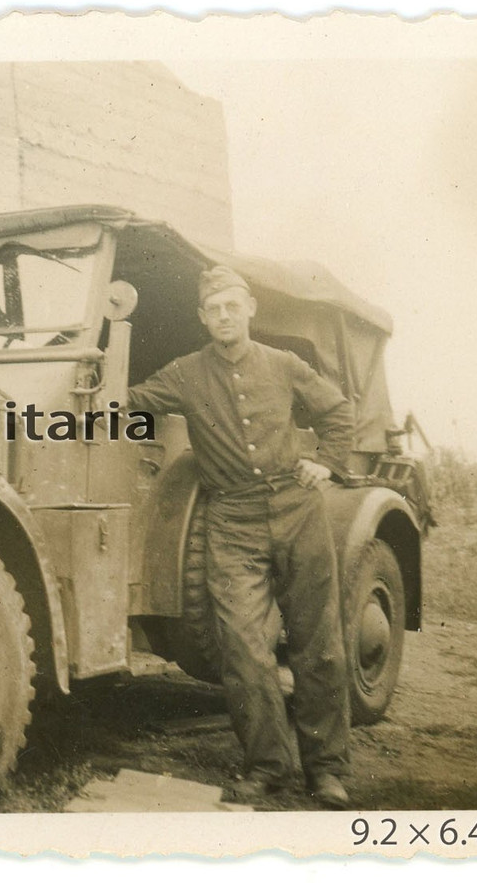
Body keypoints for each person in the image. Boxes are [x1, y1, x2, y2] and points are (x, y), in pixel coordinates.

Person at [127, 265, 355, 808]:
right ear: (202, 318)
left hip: (298, 508)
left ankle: (326, 770)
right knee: (244, 649)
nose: (224, 316)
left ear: (249, 307)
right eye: (213, 309)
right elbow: (130, 398)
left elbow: (338, 413)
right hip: (231, 520)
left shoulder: (284, 364)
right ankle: (267, 767)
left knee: (316, 644)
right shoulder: (184, 374)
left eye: (232, 306)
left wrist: (327, 463)